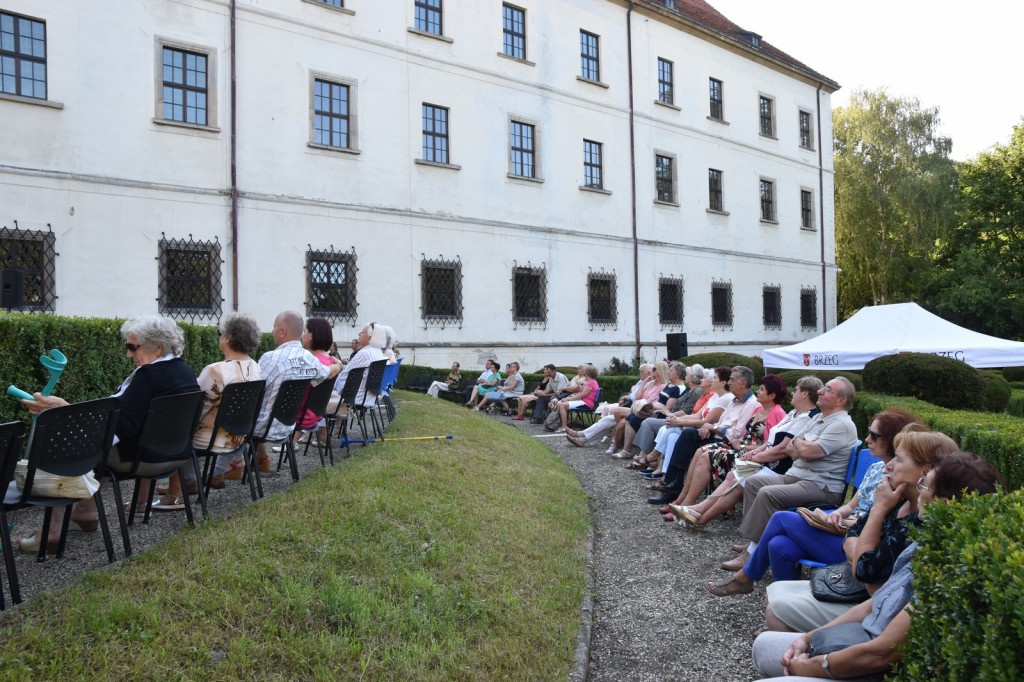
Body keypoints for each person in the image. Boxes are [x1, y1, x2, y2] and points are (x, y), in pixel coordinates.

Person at [750, 452, 1004, 681]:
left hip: (872, 659)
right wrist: (807, 638)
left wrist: (811, 666)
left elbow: (880, 651)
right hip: (862, 632)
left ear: (945, 504)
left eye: (924, 484)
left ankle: (746, 573)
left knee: (782, 524)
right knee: (763, 645)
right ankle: (747, 572)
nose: (920, 489)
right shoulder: (924, 537)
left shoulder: (945, 568)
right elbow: (874, 589)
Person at [17, 315, 201, 551]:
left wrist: (65, 411)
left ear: (157, 348)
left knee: (68, 446)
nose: (128, 354)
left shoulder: (149, 375)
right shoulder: (183, 370)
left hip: (142, 458)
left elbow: (123, 426)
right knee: (96, 444)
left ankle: (52, 534)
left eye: (133, 347)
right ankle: (85, 512)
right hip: (174, 454)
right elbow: (122, 415)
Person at [710, 421, 945, 599]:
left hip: (854, 544)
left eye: (874, 434)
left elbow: (873, 539)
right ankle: (783, 608)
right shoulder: (879, 470)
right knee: (778, 545)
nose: (868, 438)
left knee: (781, 518)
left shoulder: (902, 495)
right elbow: (853, 507)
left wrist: (846, 524)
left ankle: (745, 578)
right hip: (848, 533)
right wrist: (836, 515)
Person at [725, 378, 859, 568]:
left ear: (841, 401)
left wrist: (803, 446)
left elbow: (807, 452)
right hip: (798, 477)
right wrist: (804, 444)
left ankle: (752, 556)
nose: (820, 392)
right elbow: (791, 448)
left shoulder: (842, 425)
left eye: (827, 390)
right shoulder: (818, 418)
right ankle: (756, 541)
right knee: (754, 483)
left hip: (820, 487)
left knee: (768, 494)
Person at [670, 376, 824, 530]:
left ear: (805, 394)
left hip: (775, 467)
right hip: (764, 458)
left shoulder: (806, 417)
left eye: (796, 390)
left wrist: (754, 455)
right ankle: (697, 511)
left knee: (734, 476)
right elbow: (769, 443)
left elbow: (783, 449)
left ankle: (699, 515)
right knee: (732, 475)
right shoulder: (793, 414)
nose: (792, 393)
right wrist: (752, 452)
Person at [153, 313, 264, 510]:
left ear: (227, 338)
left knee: (178, 427)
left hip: (214, 439)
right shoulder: (255, 367)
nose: (220, 337)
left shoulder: (216, 370)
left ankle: (182, 486)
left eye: (221, 333)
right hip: (239, 437)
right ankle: (197, 478)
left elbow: (194, 408)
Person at [664, 374, 787, 517]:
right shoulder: (761, 409)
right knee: (700, 450)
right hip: (737, 446)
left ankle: (688, 504)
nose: (757, 391)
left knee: (706, 455)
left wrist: (739, 446)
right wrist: (734, 441)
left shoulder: (775, 412)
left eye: (761, 389)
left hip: (751, 456)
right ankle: (681, 500)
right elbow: (745, 435)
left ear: (772, 395)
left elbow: (768, 446)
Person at [648, 366, 761, 506]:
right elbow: (718, 422)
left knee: (683, 435)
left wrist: (712, 427)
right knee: (685, 435)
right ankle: (673, 483)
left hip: (727, 442)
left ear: (743, 383)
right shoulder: (733, 400)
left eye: (732, 379)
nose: (729, 382)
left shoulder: (750, 404)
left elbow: (737, 433)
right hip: (717, 436)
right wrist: (710, 427)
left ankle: (674, 487)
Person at [253, 311, 342, 472]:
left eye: (274, 328)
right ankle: (261, 458)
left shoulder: (269, 358)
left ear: (282, 332)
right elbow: (328, 372)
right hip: (290, 425)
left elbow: (254, 392)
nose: (272, 331)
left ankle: (227, 467)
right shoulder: (310, 360)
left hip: (264, 427)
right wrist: (338, 366)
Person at [555, 365, 599, 431]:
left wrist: (568, 399)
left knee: (562, 405)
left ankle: (564, 427)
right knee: (560, 403)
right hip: (582, 402)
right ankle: (566, 422)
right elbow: (580, 395)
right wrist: (569, 398)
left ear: (587, 373)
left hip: (586, 403)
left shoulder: (591, 383)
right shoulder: (591, 382)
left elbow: (581, 395)